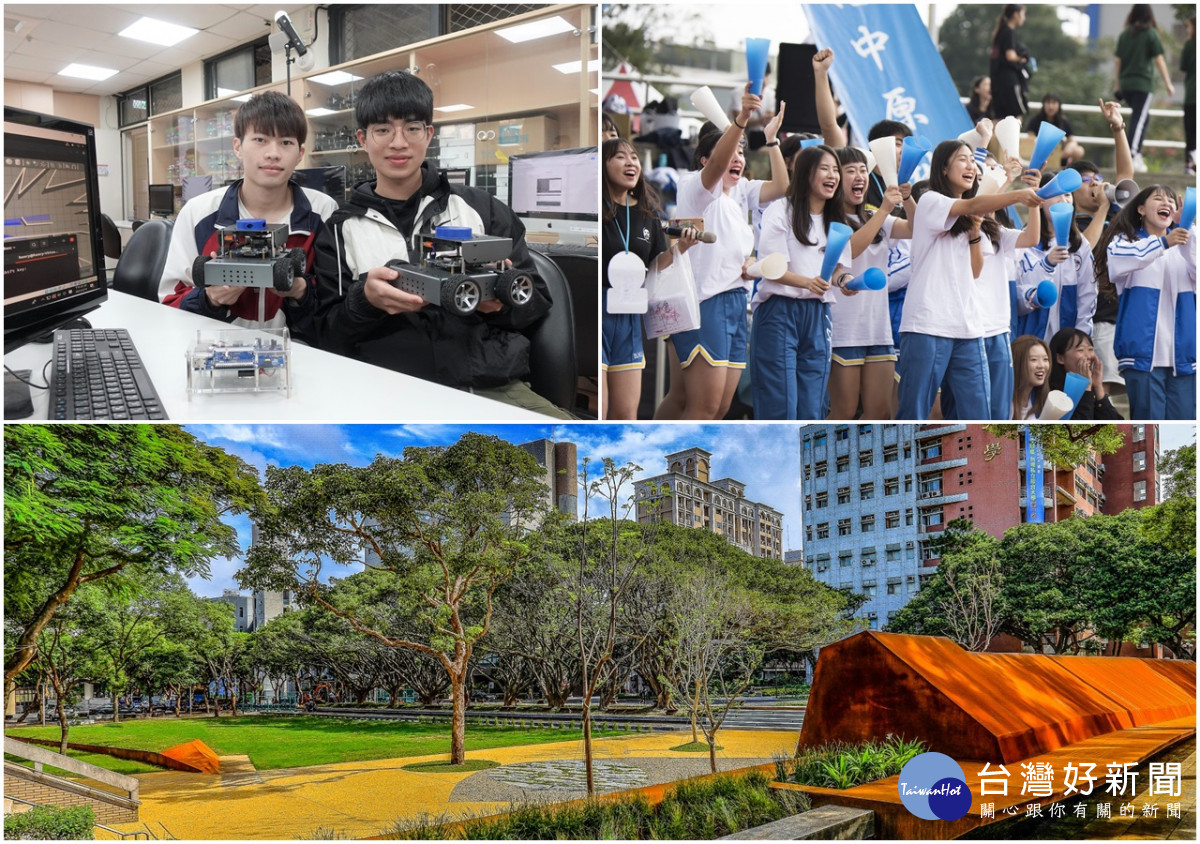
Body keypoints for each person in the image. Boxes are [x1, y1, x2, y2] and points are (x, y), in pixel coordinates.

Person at [309, 71, 571, 419]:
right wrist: (365, 302)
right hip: (384, 388)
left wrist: (502, 302)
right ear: (363, 138)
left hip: (486, 385)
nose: (398, 142)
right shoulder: (340, 229)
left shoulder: (482, 209)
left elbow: (535, 301)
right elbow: (324, 335)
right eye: (383, 130)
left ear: (428, 134)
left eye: (412, 128)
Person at [654, 85, 788, 420]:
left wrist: (770, 140)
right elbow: (717, 163)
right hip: (703, 303)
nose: (739, 158)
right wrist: (742, 119)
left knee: (719, 407)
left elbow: (783, 186)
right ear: (705, 160)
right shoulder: (696, 186)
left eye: (743, 153)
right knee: (703, 407)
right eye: (733, 151)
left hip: (734, 304)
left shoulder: (741, 191)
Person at [159, 91, 337, 335]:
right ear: (238, 147)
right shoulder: (198, 213)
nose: (273, 153)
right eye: (260, 139)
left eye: (286, 142)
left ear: (300, 154)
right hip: (216, 351)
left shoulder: (323, 212)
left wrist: (300, 291)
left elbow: (334, 310)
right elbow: (168, 306)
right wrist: (210, 298)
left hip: (298, 355)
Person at [896, 139, 1041, 420]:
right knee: (914, 412)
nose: (971, 166)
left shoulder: (975, 222)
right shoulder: (930, 201)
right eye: (962, 159)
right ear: (943, 167)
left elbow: (976, 270)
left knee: (979, 416)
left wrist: (1028, 197)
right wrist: (1017, 194)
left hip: (969, 328)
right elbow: (973, 203)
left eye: (972, 161)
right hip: (927, 325)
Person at [750, 145, 852, 419]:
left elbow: (836, 271)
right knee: (779, 403)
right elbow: (772, 269)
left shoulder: (837, 220)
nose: (833, 176)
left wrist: (846, 280)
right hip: (779, 312)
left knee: (813, 405)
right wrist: (807, 282)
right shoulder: (781, 210)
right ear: (806, 173)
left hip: (818, 314)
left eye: (835, 170)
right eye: (825, 169)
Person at [601, 137, 697, 420]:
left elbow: (655, 264)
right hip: (599, 311)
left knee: (626, 414)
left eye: (634, 158)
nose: (631, 163)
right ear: (604, 166)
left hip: (630, 316)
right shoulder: (597, 210)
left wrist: (682, 248)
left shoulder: (647, 214)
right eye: (620, 157)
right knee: (602, 413)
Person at [1093, 185, 1194, 419]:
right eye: (1158, 199)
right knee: (1149, 422)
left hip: (1185, 359)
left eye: (1171, 201)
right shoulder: (1124, 242)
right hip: (1142, 359)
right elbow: (1122, 261)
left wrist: (1188, 227)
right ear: (1140, 209)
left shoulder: (1186, 244)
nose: (1166, 204)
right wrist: (1163, 243)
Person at [827, 146, 913, 420]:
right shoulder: (826, 221)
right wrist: (885, 209)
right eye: (850, 170)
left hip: (878, 329)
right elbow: (849, 251)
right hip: (844, 330)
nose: (859, 176)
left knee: (881, 412)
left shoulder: (877, 216)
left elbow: (914, 229)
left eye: (863, 170)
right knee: (844, 410)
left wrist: (907, 200)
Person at [1016, 173, 1097, 344]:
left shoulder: (1080, 245)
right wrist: (1047, 264)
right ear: (1040, 201)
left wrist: (1080, 339)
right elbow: (1019, 294)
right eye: (1055, 194)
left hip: (1065, 342)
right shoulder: (1023, 241)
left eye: (1068, 195)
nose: (1063, 200)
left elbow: (1087, 295)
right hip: (1030, 338)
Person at [1115, 4, 1175, 172]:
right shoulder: (1150, 34)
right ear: (1149, 15)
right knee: (1139, 119)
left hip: (1126, 85)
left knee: (1143, 117)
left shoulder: (1125, 35)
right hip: (1142, 84)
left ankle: (1136, 154)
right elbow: (1159, 60)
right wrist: (1168, 83)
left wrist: (1117, 85)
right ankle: (1132, 155)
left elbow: (1117, 62)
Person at [1047, 328, 1123, 419]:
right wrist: (1085, 389)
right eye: (1080, 350)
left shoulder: (1093, 389)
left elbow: (1116, 426)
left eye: (1090, 350)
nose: (1088, 356)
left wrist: (1098, 387)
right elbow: (1080, 428)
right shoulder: (1051, 392)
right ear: (1060, 358)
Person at [989, 5, 1031, 120]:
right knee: (1017, 116)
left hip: (997, 80)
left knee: (999, 118)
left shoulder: (1000, 31)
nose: (1024, 18)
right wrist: (1021, 59)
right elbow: (1010, 56)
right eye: (1023, 14)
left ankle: (991, 138)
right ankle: (1013, 138)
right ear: (1015, 14)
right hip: (1008, 81)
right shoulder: (1009, 31)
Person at [1024, 93, 1085, 165]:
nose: (1051, 106)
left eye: (1054, 103)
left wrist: (1068, 149)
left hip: (1059, 155)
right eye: (1048, 103)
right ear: (1044, 105)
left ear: (1059, 105)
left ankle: (1069, 169)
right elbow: (1030, 139)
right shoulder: (1035, 120)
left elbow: (1072, 140)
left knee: (1079, 150)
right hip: (1040, 154)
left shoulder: (1063, 121)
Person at [1010, 334, 1051, 418]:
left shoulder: (1043, 402)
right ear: (1018, 363)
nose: (1041, 365)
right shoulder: (1004, 406)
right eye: (1034, 360)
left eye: (1045, 359)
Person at [1183, 16, 1196, 175]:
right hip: (1192, 94)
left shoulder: (1189, 45)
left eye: (1189, 27)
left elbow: (1183, 66)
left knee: (1190, 132)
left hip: (1192, 94)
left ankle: (1190, 165)